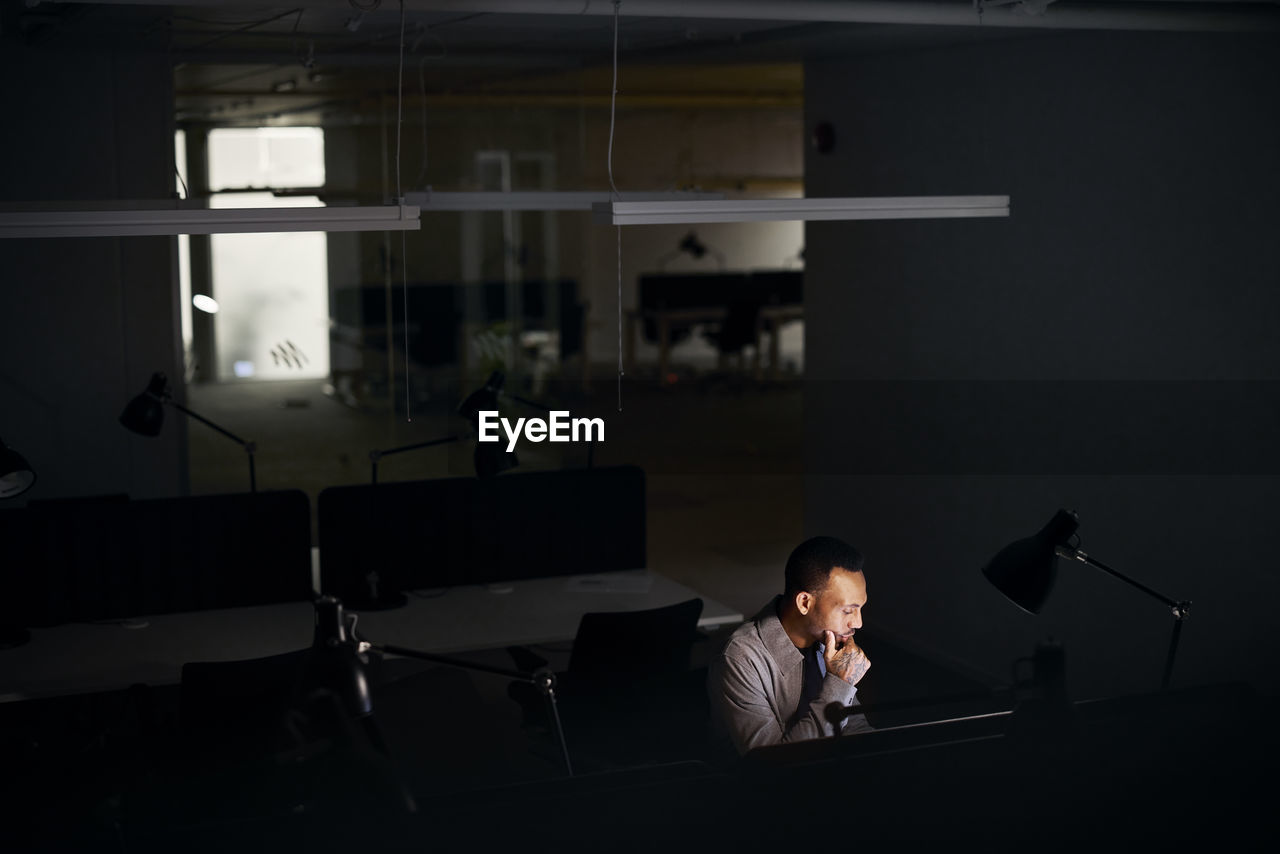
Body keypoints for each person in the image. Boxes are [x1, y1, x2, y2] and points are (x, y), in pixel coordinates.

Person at [709, 535, 873, 757]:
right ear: (804, 603)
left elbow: (855, 728)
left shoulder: (829, 641)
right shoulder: (740, 658)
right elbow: (773, 762)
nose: (858, 623)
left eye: (860, 608)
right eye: (847, 610)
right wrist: (840, 684)